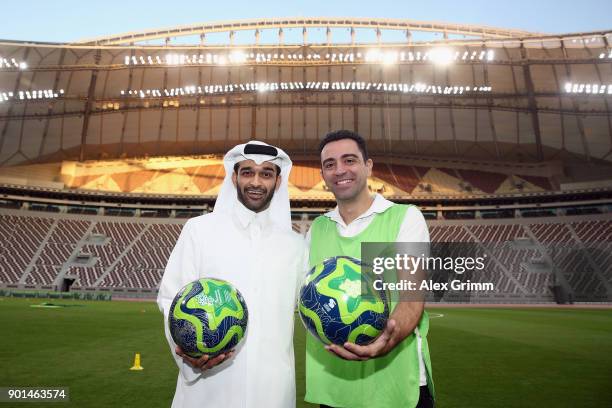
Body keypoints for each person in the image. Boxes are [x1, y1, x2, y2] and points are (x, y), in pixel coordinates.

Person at [157, 141, 305, 408]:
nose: (256, 182)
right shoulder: (199, 231)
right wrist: (190, 354)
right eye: (248, 172)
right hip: (207, 389)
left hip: (272, 392)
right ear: (234, 177)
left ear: (278, 181)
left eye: (266, 174)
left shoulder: (295, 245)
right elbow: (171, 298)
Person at [304, 130, 434, 408]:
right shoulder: (316, 230)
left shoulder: (405, 218)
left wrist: (385, 341)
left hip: (396, 387)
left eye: (349, 160)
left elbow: (413, 298)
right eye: (330, 164)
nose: (340, 170)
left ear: (368, 166)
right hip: (335, 391)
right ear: (323, 174)